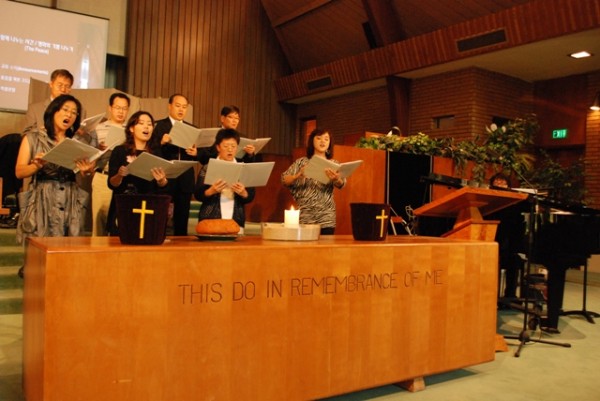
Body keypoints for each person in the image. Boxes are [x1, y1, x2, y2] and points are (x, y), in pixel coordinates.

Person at [15, 94, 96, 243]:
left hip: (70, 198)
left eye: (74, 112)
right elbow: (19, 172)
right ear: (53, 111)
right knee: (40, 247)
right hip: (42, 199)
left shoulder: (77, 142)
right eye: (65, 109)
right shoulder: (33, 138)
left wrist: (86, 171)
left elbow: (85, 173)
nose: (69, 115)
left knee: (69, 248)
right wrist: (36, 165)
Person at [106, 111, 169, 236]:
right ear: (131, 128)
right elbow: (111, 183)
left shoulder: (156, 152)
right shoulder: (120, 151)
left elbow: (163, 186)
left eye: (149, 124)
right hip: (125, 205)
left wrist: (162, 180)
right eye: (141, 123)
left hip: (149, 205)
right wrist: (119, 175)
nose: (146, 127)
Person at [281, 128, 345, 235]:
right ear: (312, 141)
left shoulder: (334, 164)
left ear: (329, 143)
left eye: (326, 139)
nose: (323, 141)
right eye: (319, 138)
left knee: (326, 245)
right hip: (306, 216)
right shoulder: (301, 162)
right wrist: (297, 175)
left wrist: (336, 179)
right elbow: (284, 179)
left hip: (326, 217)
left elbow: (342, 184)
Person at [151, 94, 197, 236]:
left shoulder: (192, 128)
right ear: (170, 106)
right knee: (161, 215)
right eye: (178, 106)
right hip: (165, 176)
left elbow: (201, 154)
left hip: (185, 178)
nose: (181, 110)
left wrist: (196, 152)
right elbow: (150, 149)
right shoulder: (158, 126)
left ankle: (181, 245)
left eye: (184, 107)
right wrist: (161, 142)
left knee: (182, 218)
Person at [194, 128, 255, 231]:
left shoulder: (243, 167)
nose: (230, 149)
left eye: (233, 146)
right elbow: (198, 194)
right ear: (218, 147)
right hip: (211, 220)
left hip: (236, 221)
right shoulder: (208, 167)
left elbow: (251, 195)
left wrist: (243, 193)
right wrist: (211, 191)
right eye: (226, 146)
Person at [91, 92, 130, 236]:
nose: (121, 112)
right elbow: (89, 157)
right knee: (99, 223)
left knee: (120, 222)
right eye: (117, 108)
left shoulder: (131, 130)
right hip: (103, 176)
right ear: (110, 108)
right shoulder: (98, 128)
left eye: (124, 108)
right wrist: (98, 150)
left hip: (124, 180)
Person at [489, 172, 526, 302]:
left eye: (502, 182)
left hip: (510, 243)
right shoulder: (488, 200)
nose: (499, 184)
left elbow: (517, 226)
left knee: (513, 261)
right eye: (496, 182)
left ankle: (510, 296)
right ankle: (491, 295)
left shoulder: (514, 203)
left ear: (508, 185)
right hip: (492, 241)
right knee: (495, 262)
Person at [22, 69, 74, 136]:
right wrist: (40, 132)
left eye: (67, 86)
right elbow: (26, 134)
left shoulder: (76, 111)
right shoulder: (34, 109)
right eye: (60, 85)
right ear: (51, 84)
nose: (63, 89)